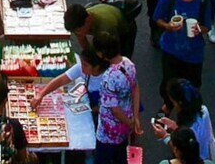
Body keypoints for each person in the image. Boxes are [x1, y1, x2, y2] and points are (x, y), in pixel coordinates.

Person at [32, 32, 139, 164]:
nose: (81, 67)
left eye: (85, 65)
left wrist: (131, 123)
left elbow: (114, 107)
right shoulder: (123, 64)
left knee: (108, 155)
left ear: (97, 66)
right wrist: (41, 95)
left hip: (109, 126)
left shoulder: (108, 78)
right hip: (116, 121)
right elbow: (61, 80)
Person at [153, 0, 209, 87]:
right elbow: (157, 18)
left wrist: (199, 29)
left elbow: (207, 26)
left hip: (194, 53)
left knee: (192, 86)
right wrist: (167, 26)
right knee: (170, 85)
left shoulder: (203, 1)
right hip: (171, 49)